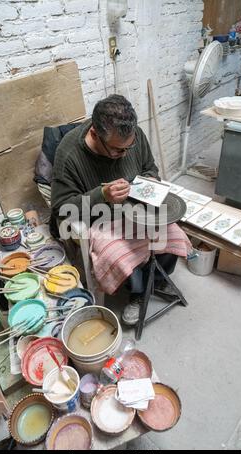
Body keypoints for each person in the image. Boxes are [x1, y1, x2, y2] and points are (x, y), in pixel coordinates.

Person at [51, 94, 179, 325]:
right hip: (100, 217)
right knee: (120, 253)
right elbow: (62, 209)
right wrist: (102, 195)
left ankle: (156, 278)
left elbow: (150, 168)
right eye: (118, 151)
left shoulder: (133, 136)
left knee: (173, 232)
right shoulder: (69, 154)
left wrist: (147, 183)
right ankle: (138, 293)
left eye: (129, 147)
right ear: (94, 134)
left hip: (137, 206)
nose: (126, 154)